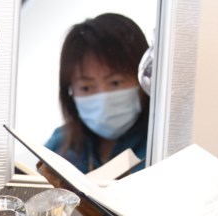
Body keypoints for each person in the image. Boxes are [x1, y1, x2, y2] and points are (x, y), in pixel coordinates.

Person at [45, 13, 150, 173]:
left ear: (143, 79)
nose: (103, 99)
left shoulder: (163, 143)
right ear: (70, 93)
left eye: (115, 82)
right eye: (86, 88)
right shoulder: (59, 146)